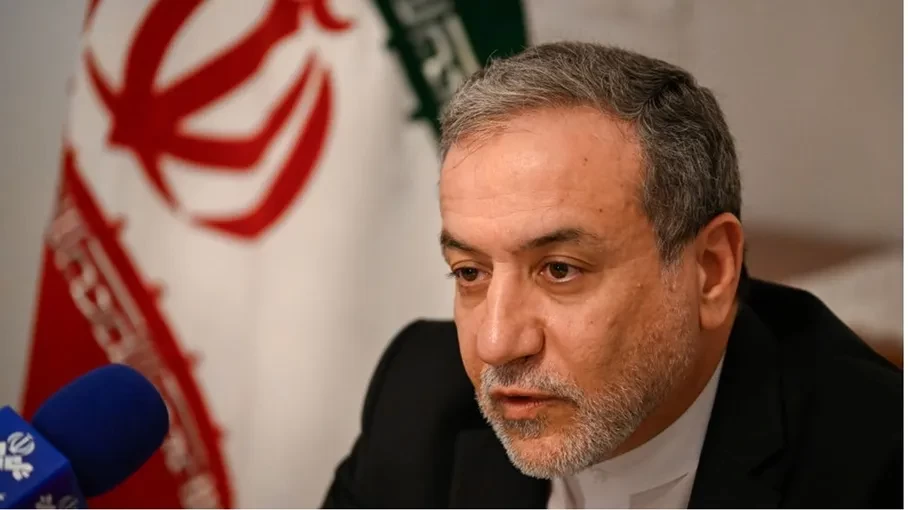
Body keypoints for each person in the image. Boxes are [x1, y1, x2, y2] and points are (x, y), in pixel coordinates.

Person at [321, 42, 902, 509]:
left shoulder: (877, 464)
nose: (496, 343)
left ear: (710, 271)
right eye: (470, 271)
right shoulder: (419, 400)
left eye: (559, 270)